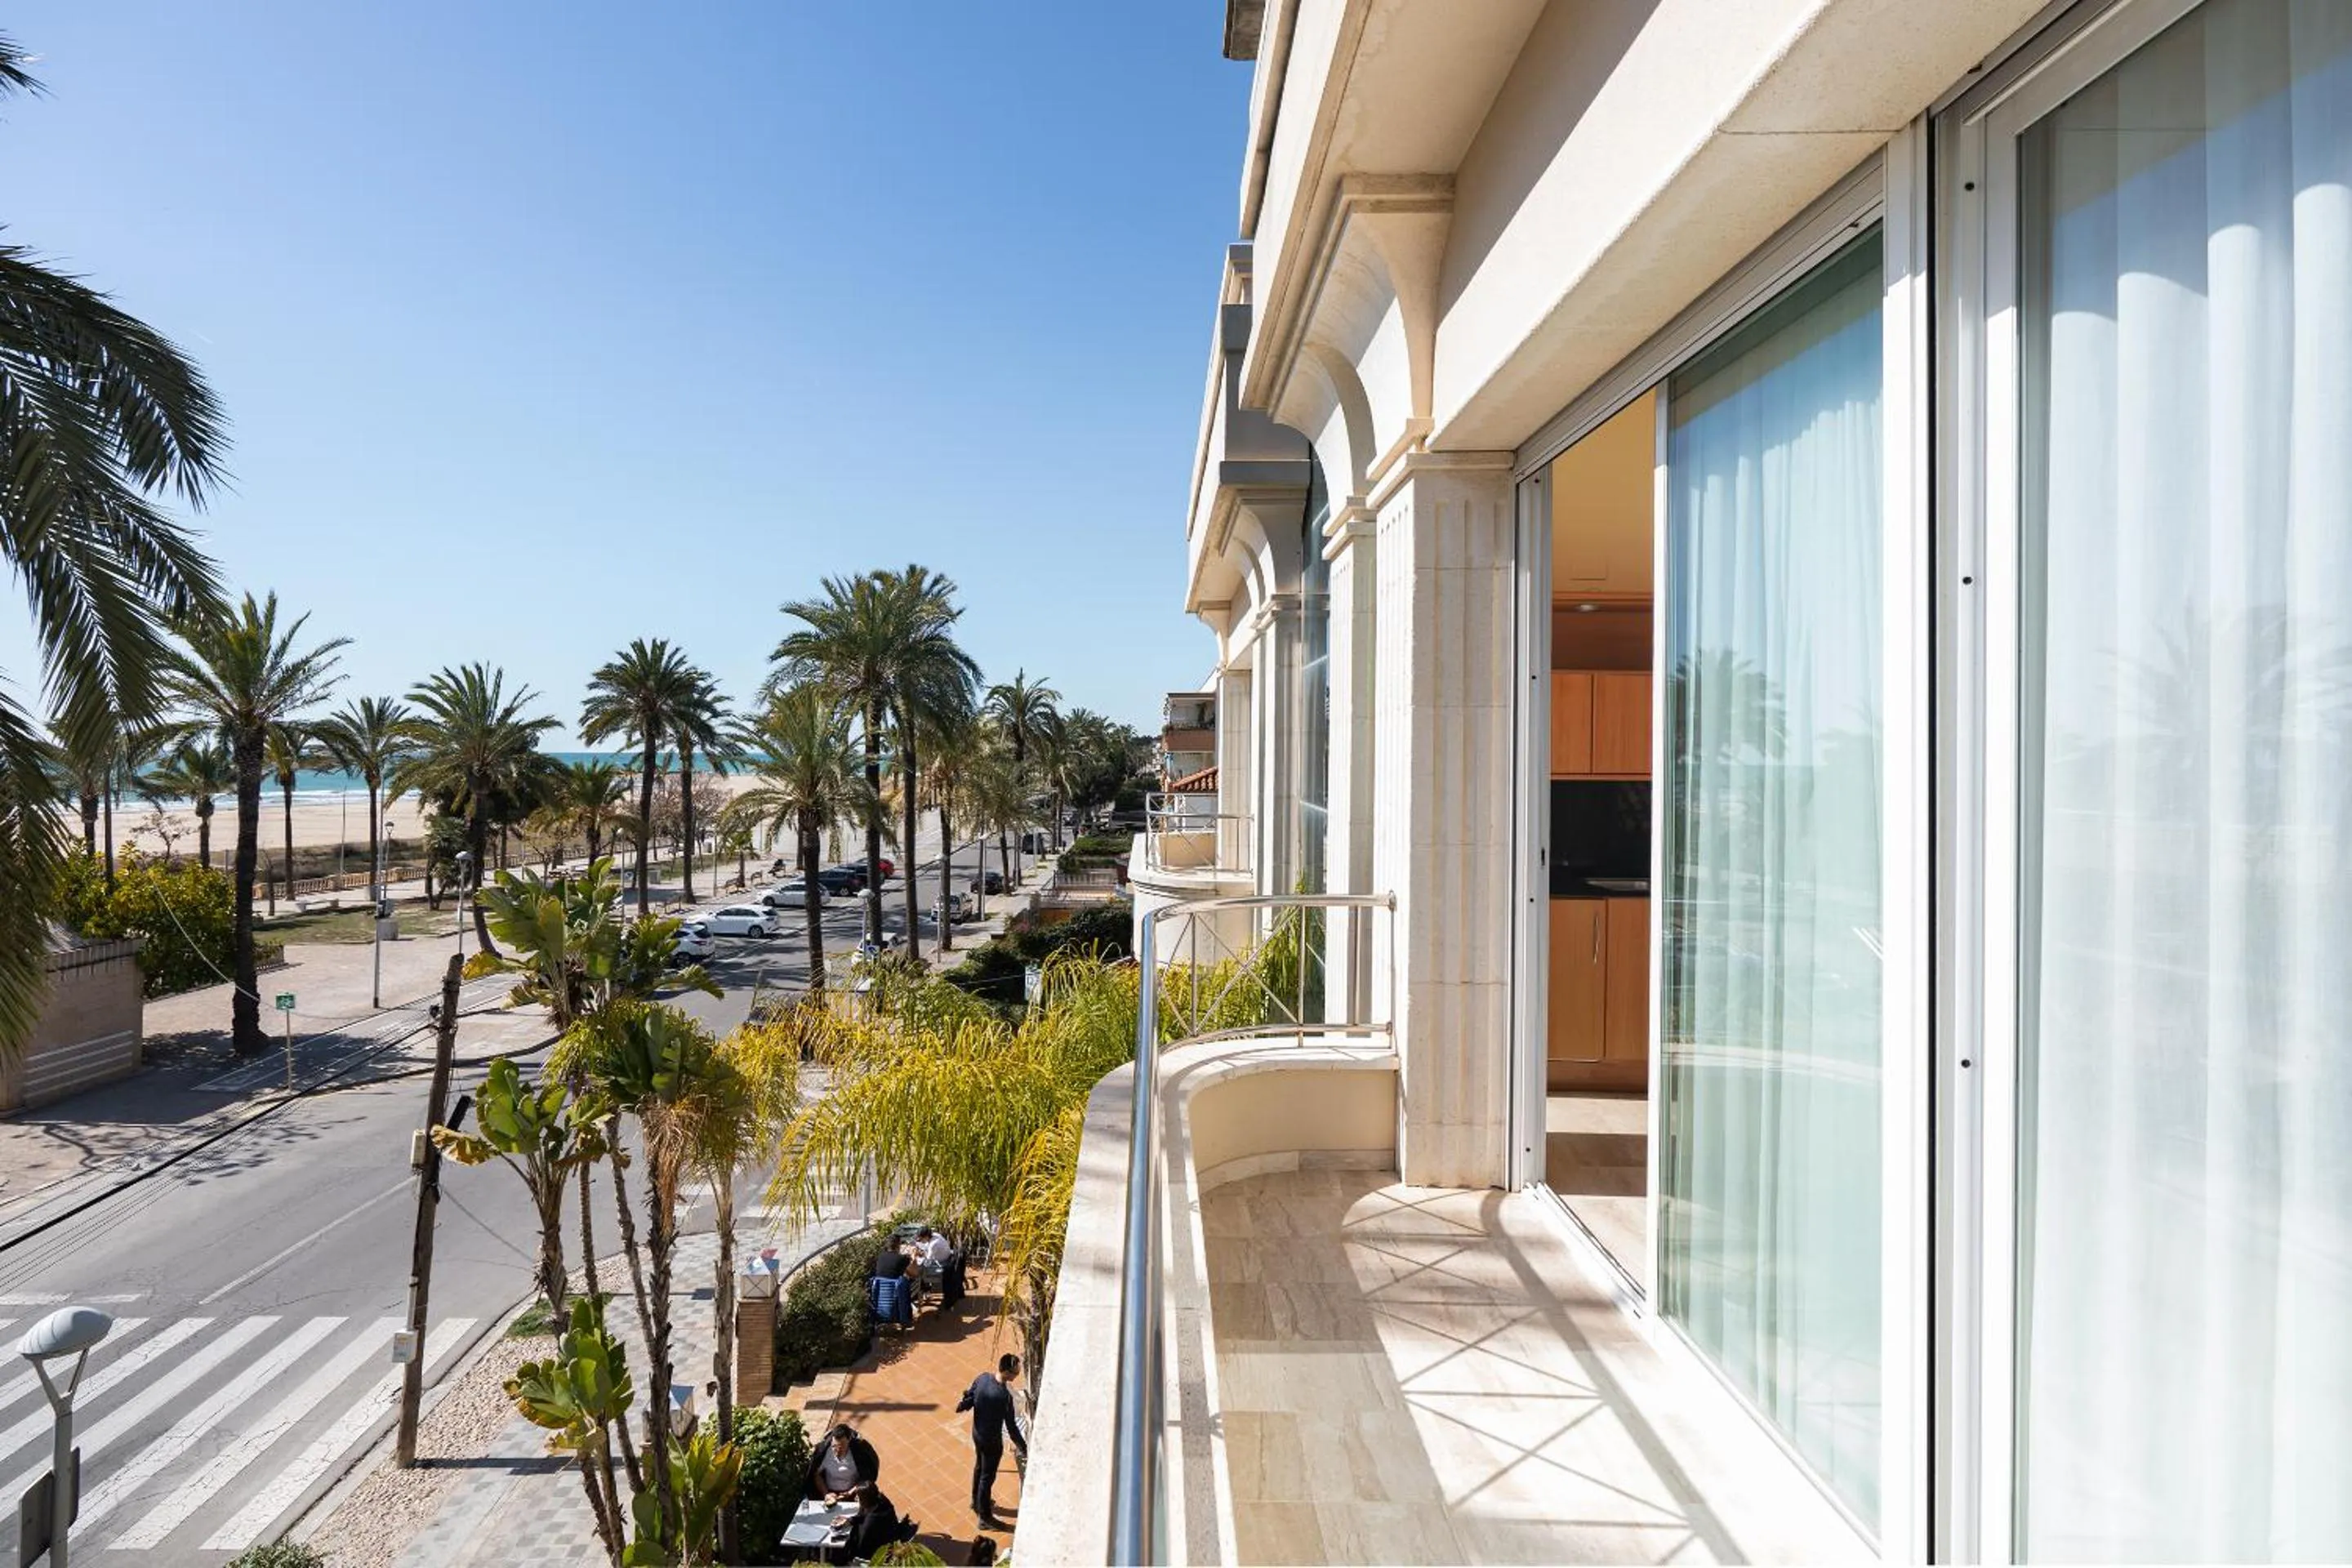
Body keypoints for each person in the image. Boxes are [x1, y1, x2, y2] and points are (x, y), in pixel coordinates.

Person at [956, 1352, 1028, 1529]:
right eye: (1016, 1373)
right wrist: (1024, 1448)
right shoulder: (1004, 1396)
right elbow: (1012, 1428)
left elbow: (970, 1397)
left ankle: (976, 1501)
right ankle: (985, 1518)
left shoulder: (982, 1378)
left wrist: (962, 1405)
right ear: (1008, 1373)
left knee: (979, 1467)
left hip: (977, 1434)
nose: (1017, 1376)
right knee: (987, 1478)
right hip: (992, 1442)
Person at [804, 1423, 880, 1503]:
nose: (837, 1451)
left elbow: (866, 1477)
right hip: (830, 1493)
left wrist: (850, 1492)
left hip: (853, 1494)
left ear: (849, 1440)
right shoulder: (823, 1452)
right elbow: (816, 1474)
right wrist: (826, 1493)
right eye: (834, 1446)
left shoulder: (859, 1453)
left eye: (842, 1446)